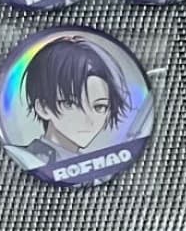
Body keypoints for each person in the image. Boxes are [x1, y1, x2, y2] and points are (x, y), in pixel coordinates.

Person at [17, 36, 131, 168]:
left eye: (99, 107)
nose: (88, 120)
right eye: (70, 104)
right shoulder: (25, 158)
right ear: (43, 108)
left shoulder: (97, 167)